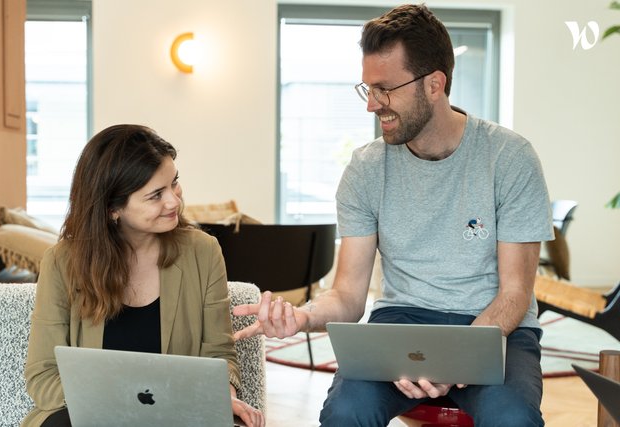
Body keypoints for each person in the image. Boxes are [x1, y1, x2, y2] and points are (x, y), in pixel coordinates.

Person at [234, 4, 553, 426]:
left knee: (513, 418)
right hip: (403, 323)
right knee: (345, 412)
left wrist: (454, 358)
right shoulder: (366, 169)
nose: (372, 105)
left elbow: (515, 293)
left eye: (384, 89)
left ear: (434, 84)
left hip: (496, 327)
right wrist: (303, 316)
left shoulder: (509, 158)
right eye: (367, 89)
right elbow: (348, 296)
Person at [22, 124, 264, 427]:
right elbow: (43, 374)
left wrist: (222, 395)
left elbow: (219, 354)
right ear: (113, 208)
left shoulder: (203, 252)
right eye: (156, 195)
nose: (174, 201)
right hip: (87, 417)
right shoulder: (62, 263)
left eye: (174, 183)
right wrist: (121, 407)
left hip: (176, 417)